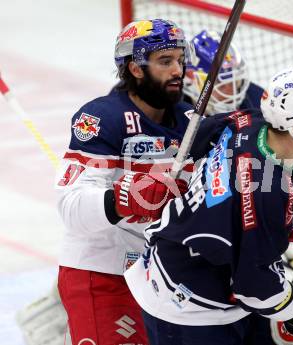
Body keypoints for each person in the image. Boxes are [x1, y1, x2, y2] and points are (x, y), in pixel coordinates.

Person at [125, 67, 293, 345]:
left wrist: (289, 214)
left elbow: (198, 138)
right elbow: (255, 288)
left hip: (208, 280)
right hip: (189, 309)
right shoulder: (269, 192)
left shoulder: (251, 121)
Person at [184, 30, 293, 345]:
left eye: (237, 80)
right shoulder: (175, 109)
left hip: (244, 232)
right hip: (196, 254)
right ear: (194, 81)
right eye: (223, 82)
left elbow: (288, 161)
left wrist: (292, 211)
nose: (234, 90)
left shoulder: (259, 104)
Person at [53, 19, 193, 345]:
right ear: (136, 68)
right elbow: (71, 207)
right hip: (103, 274)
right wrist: (122, 198)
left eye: (180, 60)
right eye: (165, 61)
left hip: (166, 277)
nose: (178, 71)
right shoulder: (102, 118)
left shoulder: (191, 121)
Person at [183, 30, 264, 115]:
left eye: (236, 82)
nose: (232, 93)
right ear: (191, 80)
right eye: (220, 84)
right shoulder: (173, 110)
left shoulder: (258, 102)